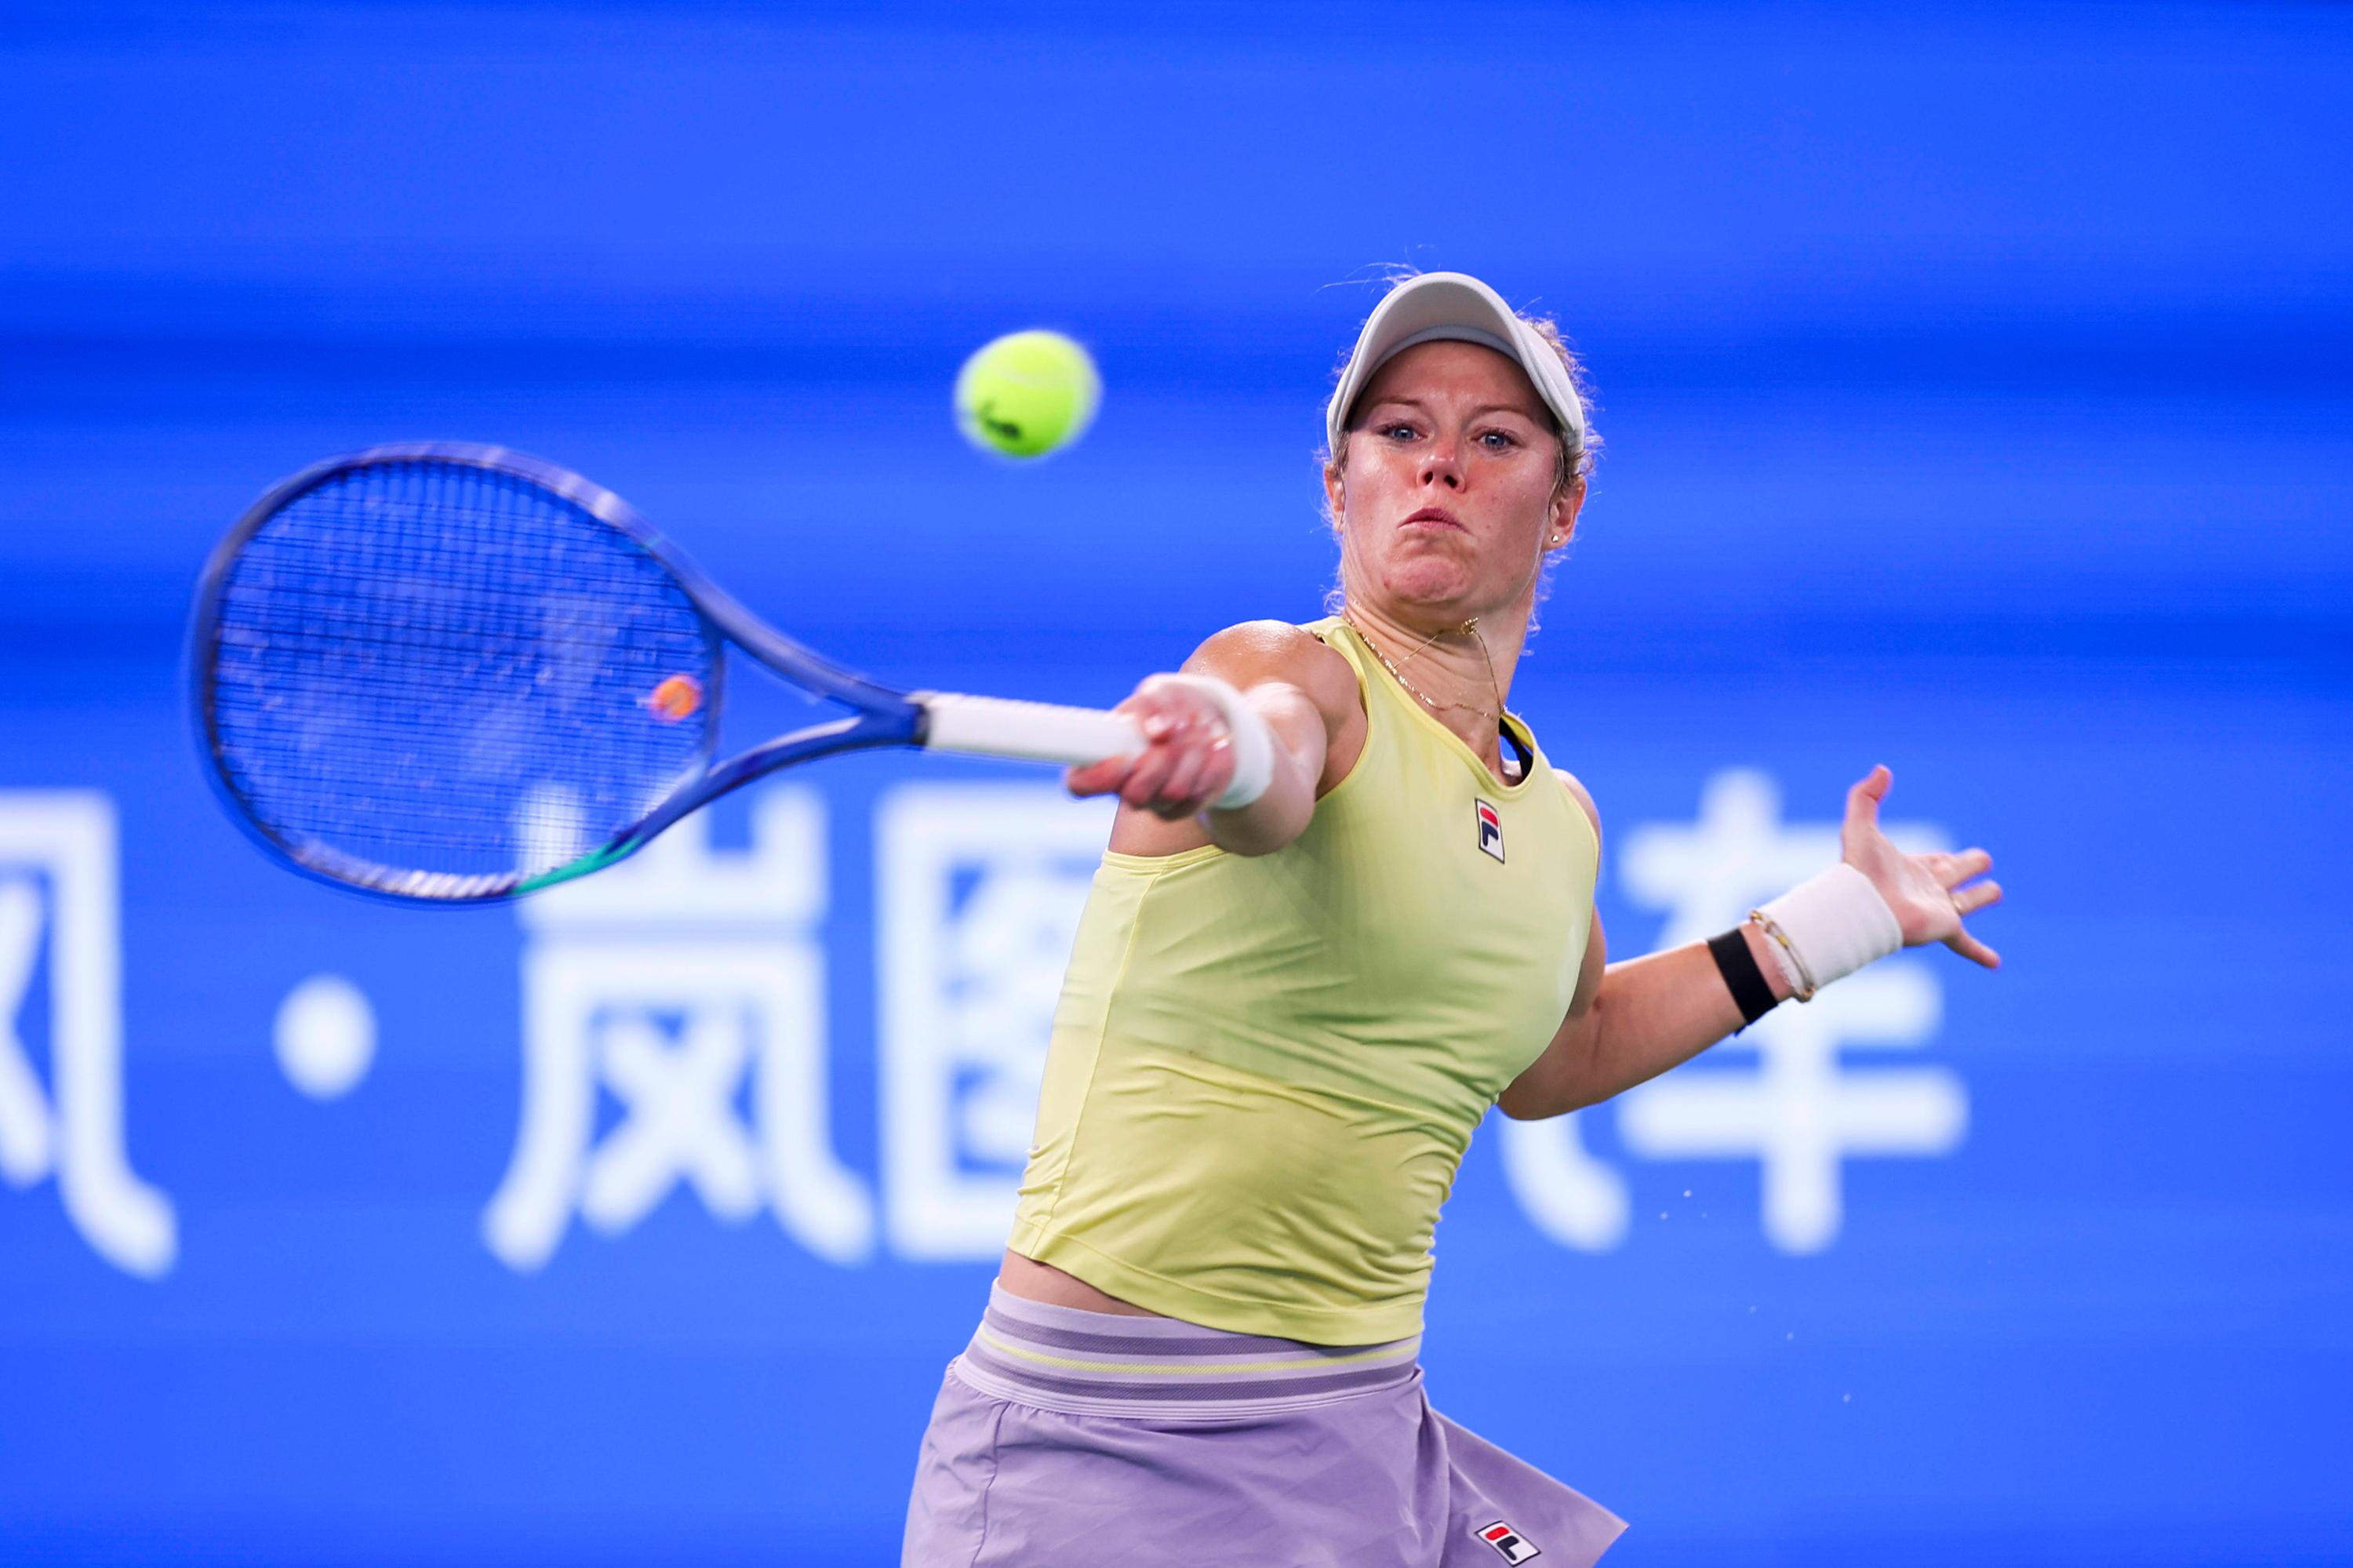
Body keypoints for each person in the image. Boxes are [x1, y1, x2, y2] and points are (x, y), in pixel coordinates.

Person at [901, 271, 2002, 1566]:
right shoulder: (1284, 675)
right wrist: (1224, 749)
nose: (1439, 467)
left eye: (1493, 439)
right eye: (1400, 432)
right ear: (1339, 487)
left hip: (1360, 1435)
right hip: (1114, 1452)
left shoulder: (1557, 819)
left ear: (1564, 506)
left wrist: (1842, 919)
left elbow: (1563, 1051)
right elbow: (1275, 765)